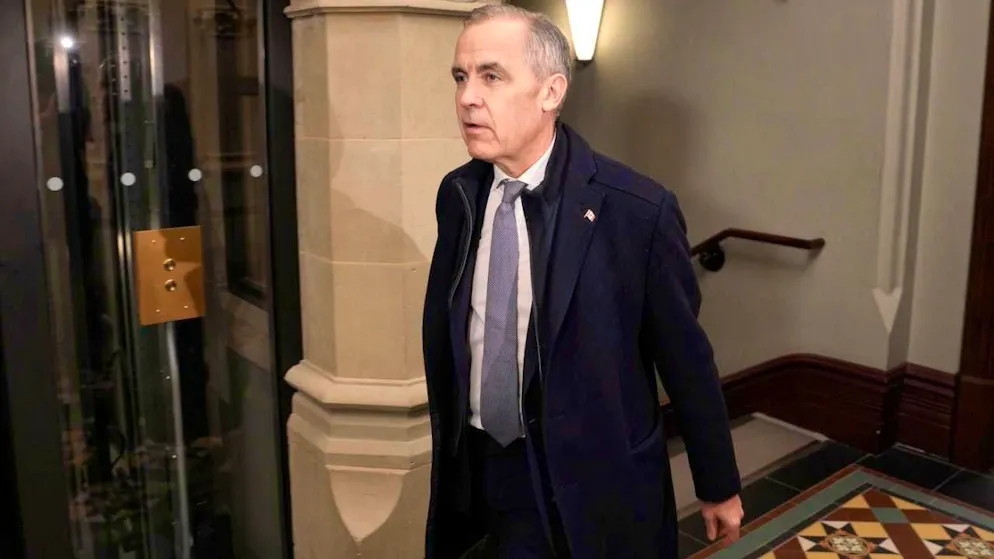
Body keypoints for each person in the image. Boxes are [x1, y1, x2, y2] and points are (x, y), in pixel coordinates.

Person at [422, 6, 744, 558]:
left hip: (592, 484)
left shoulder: (636, 210)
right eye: (461, 76)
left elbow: (686, 361)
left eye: (491, 76)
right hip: (482, 470)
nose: (467, 97)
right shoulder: (459, 196)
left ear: (551, 92)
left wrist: (717, 483)